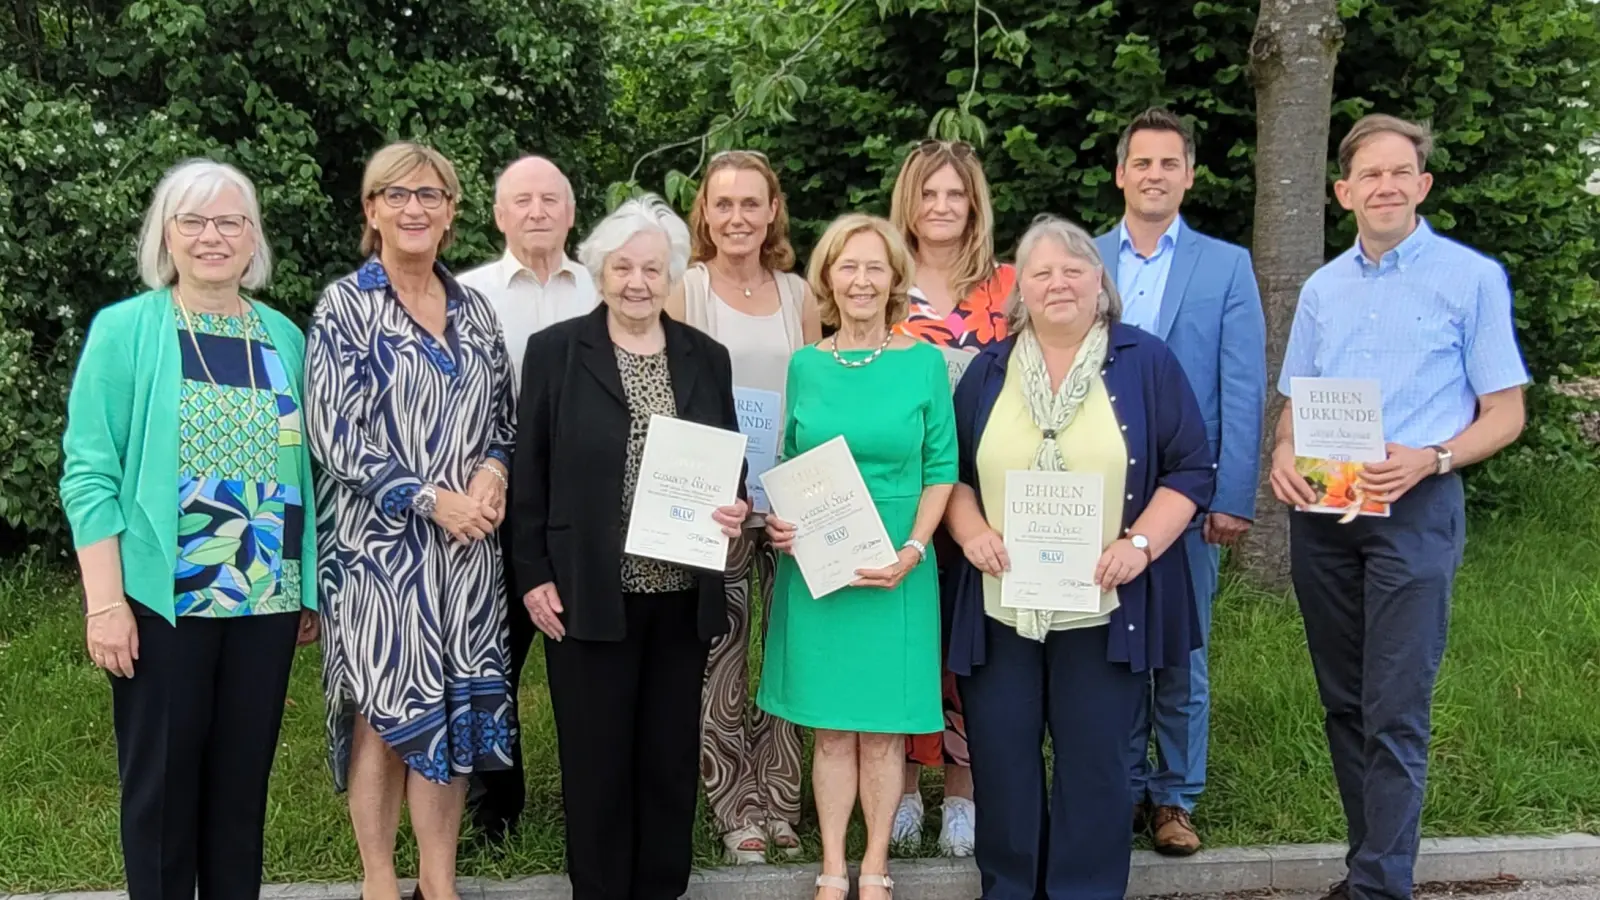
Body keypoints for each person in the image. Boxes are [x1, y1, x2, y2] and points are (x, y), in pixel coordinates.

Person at [1269, 115, 1528, 900]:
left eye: (1398, 173)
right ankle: (1367, 869)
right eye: (1368, 176)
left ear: (1422, 185)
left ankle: (1382, 885)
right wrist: (1283, 455)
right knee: (1345, 704)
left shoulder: (1469, 278)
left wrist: (1435, 457)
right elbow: (1292, 407)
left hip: (1416, 510)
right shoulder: (1322, 289)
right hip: (1326, 514)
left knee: (1396, 704)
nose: (1384, 186)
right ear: (1343, 192)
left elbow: (1506, 412)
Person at [59, 158, 320, 900]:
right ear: (165, 236)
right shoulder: (126, 331)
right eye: (193, 221)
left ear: (253, 238)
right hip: (161, 600)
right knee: (164, 800)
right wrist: (105, 602)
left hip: (265, 601)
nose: (213, 236)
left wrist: (307, 583)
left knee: (240, 801)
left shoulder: (283, 338)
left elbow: (305, 473)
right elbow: (89, 472)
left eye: (231, 221)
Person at [945, 215, 1215, 899]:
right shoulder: (988, 370)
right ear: (1020, 290)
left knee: (1096, 765)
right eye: (1042, 272)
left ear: (1102, 283)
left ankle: (1084, 890)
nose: (1058, 282)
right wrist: (971, 529)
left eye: (1074, 269)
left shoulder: (1145, 362)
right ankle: (1009, 888)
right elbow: (947, 472)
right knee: (1003, 761)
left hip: (1105, 603)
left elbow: (1189, 470)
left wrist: (1141, 544)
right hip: (1002, 602)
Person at [511, 195, 751, 900]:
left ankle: (659, 887)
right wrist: (531, 574)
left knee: (667, 756)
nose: (638, 282)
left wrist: (735, 504)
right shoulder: (556, 352)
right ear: (600, 271)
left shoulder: (706, 357)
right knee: (597, 758)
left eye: (652, 268)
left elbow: (727, 461)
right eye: (623, 267)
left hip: (680, 593)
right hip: (586, 588)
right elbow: (531, 471)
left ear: (673, 273)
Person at [304, 142, 518, 900]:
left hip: (465, 559)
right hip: (379, 557)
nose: (414, 209)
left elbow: (504, 419)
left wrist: (492, 472)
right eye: (395, 196)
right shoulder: (346, 306)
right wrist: (432, 498)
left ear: (452, 213)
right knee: (386, 720)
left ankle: (440, 880)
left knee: (452, 717)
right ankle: (378, 880)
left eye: (430, 195)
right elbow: (336, 439)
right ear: (371, 211)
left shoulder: (475, 310)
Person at [758, 213, 957, 900]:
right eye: (849, 267)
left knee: (879, 735)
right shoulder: (806, 365)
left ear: (895, 280)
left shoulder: (924, 363)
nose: (863, 280)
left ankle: (875, 866)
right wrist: (779, 523)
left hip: (895, 571)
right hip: (818, 572)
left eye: (876, 267)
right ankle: (833, 866)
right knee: (832, 732)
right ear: (829, 279)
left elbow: (942, 468)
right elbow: (788, 460)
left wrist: (913, 549)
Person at [1092, 107, 1267, 856]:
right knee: (1106, 642)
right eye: (1142, 163)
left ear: (1189, 175)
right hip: (1098, 489)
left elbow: (1243, 382)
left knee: (1181, 650)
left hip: (1188, 493)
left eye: (1170, 163)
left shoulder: (1225, 266)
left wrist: (1230, 494)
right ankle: (1120, 786)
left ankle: (1175, 797)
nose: (1155, 175)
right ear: (1120, 173)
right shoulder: (1085, 258)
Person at [665, 149, 819, 865]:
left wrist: (810, 495)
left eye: (750, 204)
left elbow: (817, 402)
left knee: (789, 654)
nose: (737, 217)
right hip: (714, 508)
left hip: (788, 506)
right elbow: (667, 403)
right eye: (722, 204)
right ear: (704, 213)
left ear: (772, 212)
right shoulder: (683, 291)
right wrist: (704, 493)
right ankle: (735, 808)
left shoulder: (799, 295)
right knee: (720, 660)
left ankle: (782, 800)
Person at [458, 154, 598, 841]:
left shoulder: (610, 289)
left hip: (590, 514)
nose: (537, 211)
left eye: (550, 199)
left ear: (572, 213)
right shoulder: (465, 295)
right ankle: (496, 807)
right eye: (522, 200)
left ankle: (597, 797)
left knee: (593, 661)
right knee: (491, 659)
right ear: (499, 214)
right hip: (494, 506)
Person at [885, 137, 1017, 858]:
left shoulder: (1008, 286)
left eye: (955, 194)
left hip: (988, 499)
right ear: (910, 200)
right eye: (928, 193)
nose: (941, 206)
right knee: (908, 641)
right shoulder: (880, 280)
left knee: (974, 647)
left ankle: (963, 791)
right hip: (901, 498)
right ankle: (903, 785)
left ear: (974, 204)